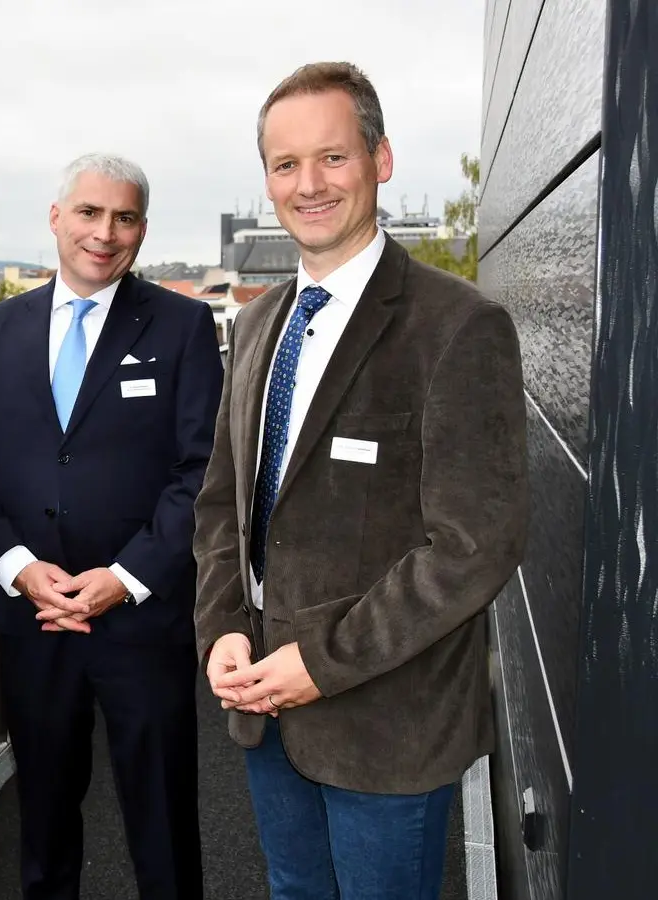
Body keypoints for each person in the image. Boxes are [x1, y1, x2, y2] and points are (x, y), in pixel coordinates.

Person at [192, 61, 528, 900]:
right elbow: (224, 506)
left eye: (332, 158)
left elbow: (472, 547)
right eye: (284, 164)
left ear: (380, 160)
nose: (308, 185)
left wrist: (324, 662)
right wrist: (223, 627)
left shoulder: (458, 327)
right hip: (264, 705)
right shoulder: (260, 319)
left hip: (389, 719)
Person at [0, 154, 222, 900]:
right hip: (34, 621)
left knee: (163, 825)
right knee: (41, 821)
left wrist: (124, 579)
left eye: (125, 217)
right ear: (55, 217)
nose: (105, 233)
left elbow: (200, 473)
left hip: (140, 621)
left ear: (141, 228)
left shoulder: (184, 325)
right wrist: (16, 566)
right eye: (89, 213)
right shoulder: (0, 327)